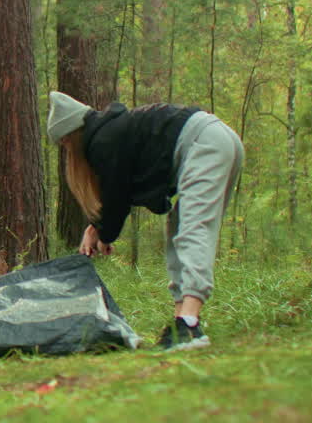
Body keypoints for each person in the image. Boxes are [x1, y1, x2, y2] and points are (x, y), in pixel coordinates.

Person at [46, 91, 243, 351]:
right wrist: (97, 228)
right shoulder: (111, 131)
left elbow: (117, 196)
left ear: (71, 134)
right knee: (179, 229)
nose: (66, 149)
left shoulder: (103, 140)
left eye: (64, 143)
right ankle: (180, 322)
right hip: (216, 138)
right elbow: (121, 191)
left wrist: (105, 234)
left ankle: (190, 323)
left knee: (193, 229)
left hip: (204, 143)